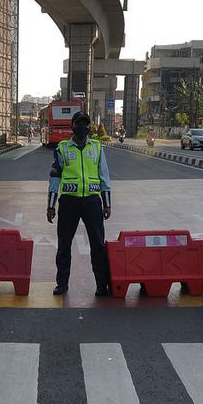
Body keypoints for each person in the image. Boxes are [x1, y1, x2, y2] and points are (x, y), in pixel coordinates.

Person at [48, 112, 113, 296]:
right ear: (72, 126)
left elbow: (104, 177)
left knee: (98, 245)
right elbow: (54, 178)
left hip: (92, 202)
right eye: (79, 124)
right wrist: (51, 205)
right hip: (69, 202)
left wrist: (107, 204)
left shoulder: (97, 148)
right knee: (64, 245)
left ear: (89, 126)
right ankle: (62, 283)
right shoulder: (62, 149)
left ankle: (102, 285)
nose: (82, 127)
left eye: (85, 124)